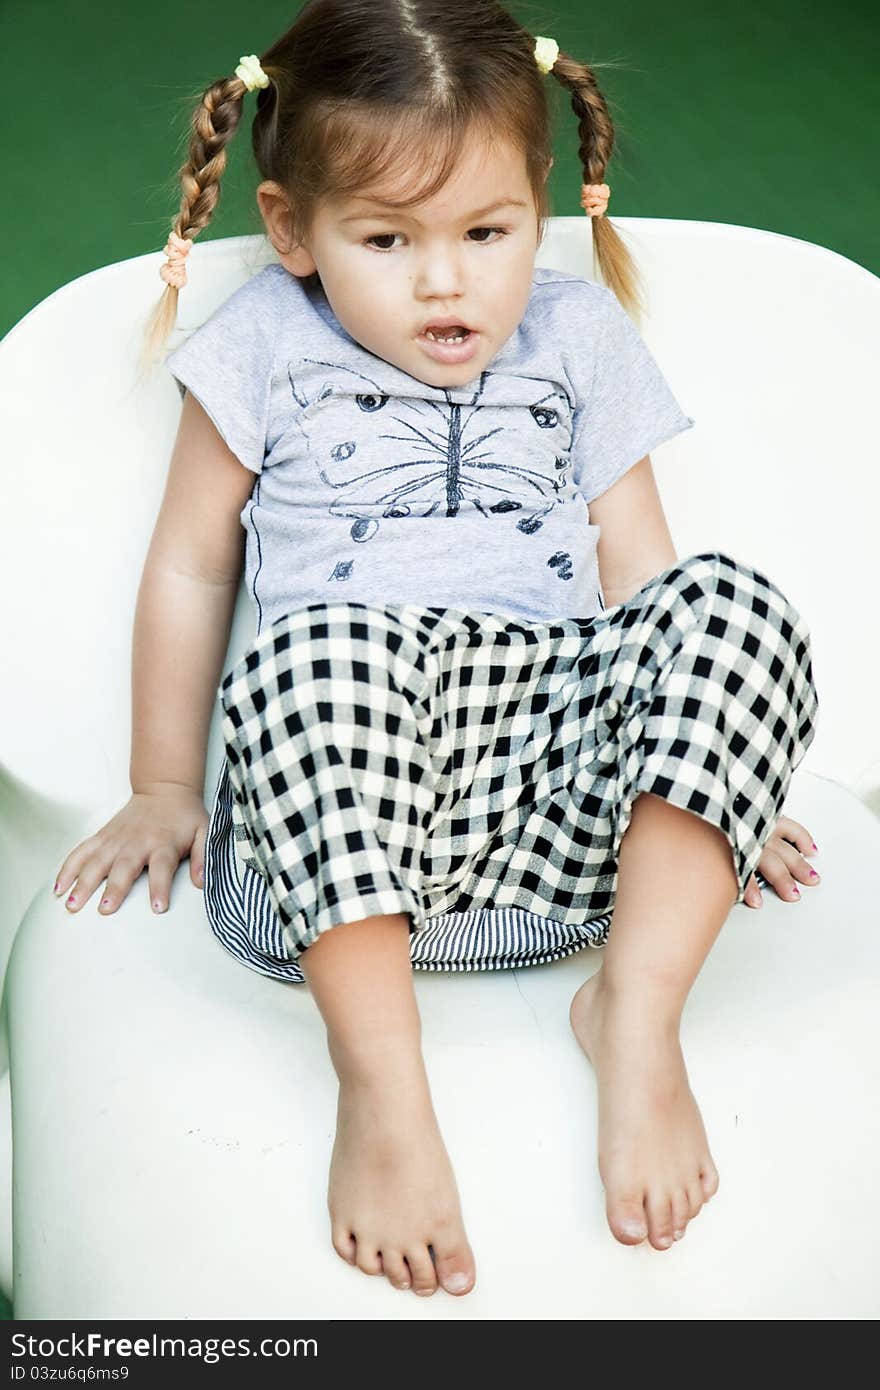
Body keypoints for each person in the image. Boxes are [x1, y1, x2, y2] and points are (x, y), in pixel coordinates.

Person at [53, 0, 820, 1301]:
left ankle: (634, 1011)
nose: (445, 278)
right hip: (341, 837)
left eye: (486, 232)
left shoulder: (576, 336)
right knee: (318, 647)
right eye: (387, 239)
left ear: (540, 209)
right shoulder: (260, 348)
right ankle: (384, 1086)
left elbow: (643, 572)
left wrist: (713, 784)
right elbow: (190, 567)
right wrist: (164, 783)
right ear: (293, 231)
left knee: (733, 601)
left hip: (558, 827)